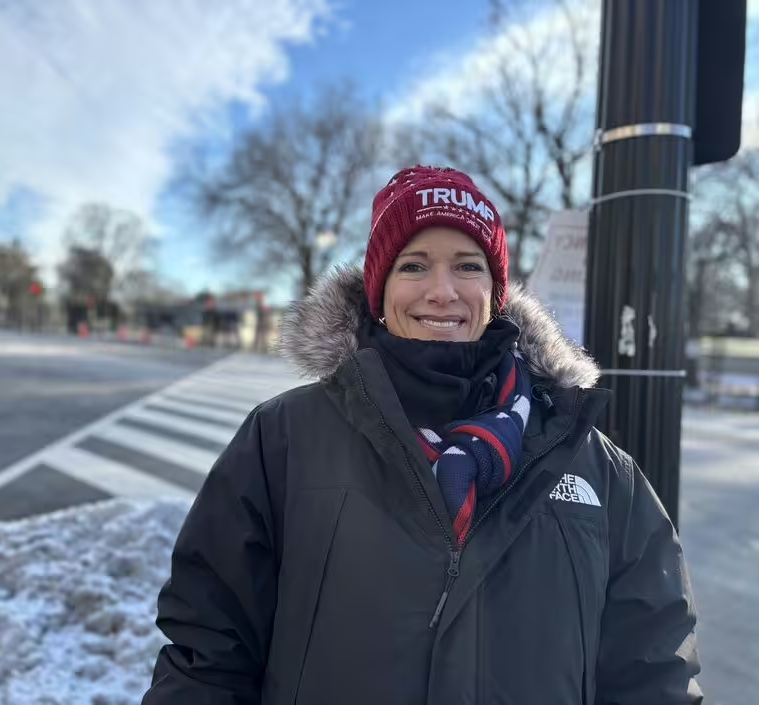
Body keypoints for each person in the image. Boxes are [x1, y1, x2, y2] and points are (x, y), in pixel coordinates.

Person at [142, 166, 703, 704]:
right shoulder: (283, 439)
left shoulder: (596, 466)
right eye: (413, 266)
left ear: (496, 289)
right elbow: (209, 650)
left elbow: (654, 670)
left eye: (467, 265)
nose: (442, 291)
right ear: (379, 290)